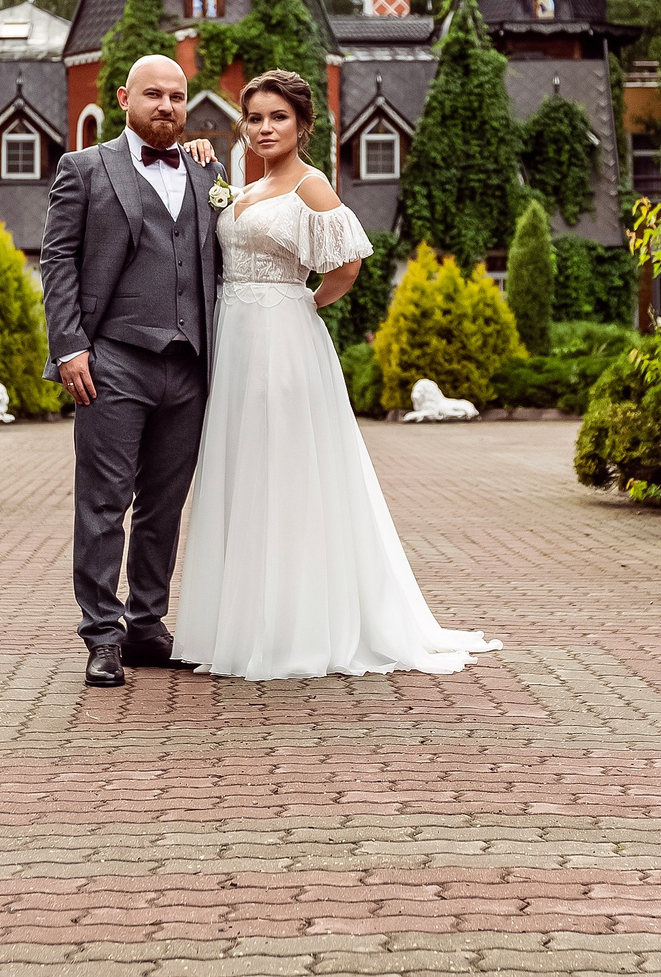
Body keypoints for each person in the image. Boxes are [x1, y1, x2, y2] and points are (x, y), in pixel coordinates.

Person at [171, 68, 500, 680]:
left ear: (302, 125)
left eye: (278, 117)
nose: (265, 128)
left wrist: (295, 304)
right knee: (241, 471)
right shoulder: (245, 182)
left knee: (285, 473)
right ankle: (235, 624)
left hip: (280, 342)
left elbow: (346, 268)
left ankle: (296, 629)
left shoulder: (311, 185)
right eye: (256, 117)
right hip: (234, 343)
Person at [38, 54, 224, 689]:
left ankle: (147, 624)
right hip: (111, 361)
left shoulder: (206, 171)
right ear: (124, 98)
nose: (166, 106)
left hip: (189, 368)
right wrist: (68, 347)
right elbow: (58, 259)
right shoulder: (84, 169)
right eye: (153, 95)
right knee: (103, 503)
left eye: (177, 96)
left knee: (164, 506)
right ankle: (102, 634)